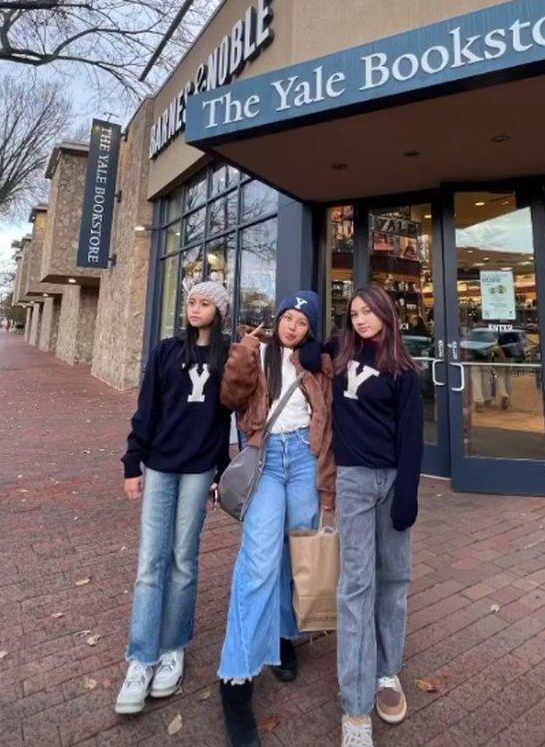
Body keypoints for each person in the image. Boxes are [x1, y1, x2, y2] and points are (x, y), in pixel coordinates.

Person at [217, 290, 334, 747]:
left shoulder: (318, 365)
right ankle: (236, 676)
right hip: (267, 458)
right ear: (278, 319)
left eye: (301, 322)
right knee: (259, 559)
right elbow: (231, 396)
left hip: (305, 458)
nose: (291, 326)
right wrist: (244, 352)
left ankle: (284, 635)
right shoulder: (258, 351)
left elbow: (330, 420)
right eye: (287, 317)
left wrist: (329, 481)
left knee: (296, 549)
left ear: (310, 329)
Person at [115, 281, 232, 716]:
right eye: (190, 302)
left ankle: (173, 648)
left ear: (218, 311)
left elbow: (225, 421)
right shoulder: (166, 352)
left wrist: (221, 473)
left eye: (204, 303)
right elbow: (147, 409)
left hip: (200, 469)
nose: (194, 308)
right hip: (161, 467)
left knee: (184, 558)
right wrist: (133, 462)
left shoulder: (224, 357)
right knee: (151, 562)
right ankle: (140, 658)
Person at [331, 283, 423, 747]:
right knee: (356, 584)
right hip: (353, 481)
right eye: (354, 312)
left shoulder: (404, 371)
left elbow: (411, 438)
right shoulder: (340, 353)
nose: (361, 319)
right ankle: (355, 703)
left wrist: (408, 493)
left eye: (368, 311)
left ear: (386, 314)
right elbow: (301, 346)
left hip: (392, 483)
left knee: (394, 579)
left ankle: (387, 672)